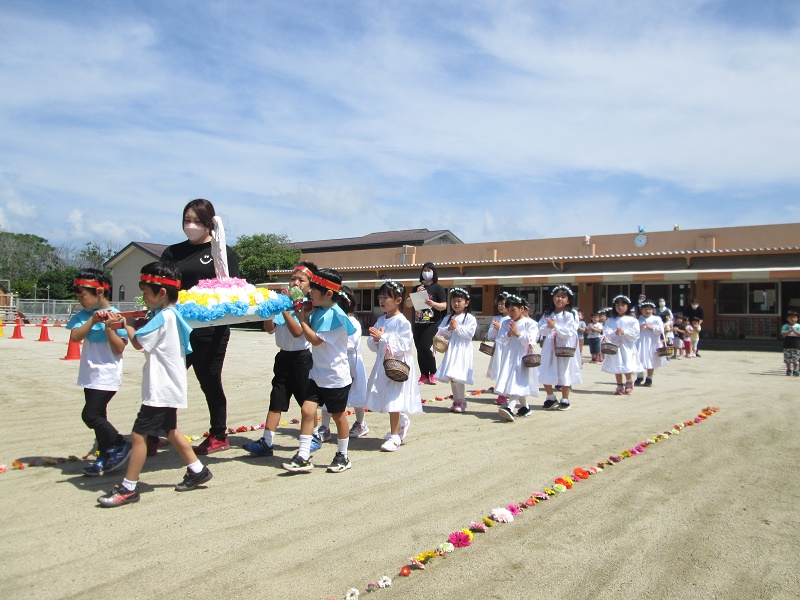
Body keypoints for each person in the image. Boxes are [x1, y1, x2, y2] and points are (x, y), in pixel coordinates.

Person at [97, 262, 212, 507]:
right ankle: (197, 469)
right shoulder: (172, 315)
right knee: (170, 431)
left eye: (146, 293)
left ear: (161, 293)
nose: (144, 299)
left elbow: (139, 342)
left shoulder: (164, 317)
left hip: (160, 388)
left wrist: (126, 325)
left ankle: (129, 487)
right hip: (169, 386)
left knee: (138, 435)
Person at [160, 199, 241, 455]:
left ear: (209, 223)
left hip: (211, 330)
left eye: (197, 221)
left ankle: (218, 434)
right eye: (187, 220)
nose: (191, 225)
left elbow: (234, 288)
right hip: (177, 328)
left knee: (209, 380)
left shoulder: (222, 252)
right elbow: (162, 286)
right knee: (166, 380)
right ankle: (160, 430)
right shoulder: (172, 252)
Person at [282, 268, 356, 474]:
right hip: (317, 374)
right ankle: (303, 455)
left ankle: (343, 455)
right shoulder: (319, 310)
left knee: (338, 416)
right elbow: (305, 330)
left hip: (335, 377)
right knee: (307, 411)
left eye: (314, 290)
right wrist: (302, 313)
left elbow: (314, 339)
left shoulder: (336, 315)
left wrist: (302, 318)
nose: (310, 292)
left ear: (328, 293)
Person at [243, 262, 316, 457]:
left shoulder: (308, 306)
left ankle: (314, 436)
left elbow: (298, 332)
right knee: (276, 398)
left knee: (306, 401)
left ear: (310, 287)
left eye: (301, 280)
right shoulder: (283, 301)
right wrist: (270, 311)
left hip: (302, 358)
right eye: (293, 279)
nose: (295, 283)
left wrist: (285, 309)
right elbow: (270, 329)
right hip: (283, 357)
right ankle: (267, 441)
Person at [67, 269, 131, 477]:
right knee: (99, 416)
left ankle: (120, 442)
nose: (80, 300)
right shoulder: (83, 316)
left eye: (83, 295)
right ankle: (105, 454)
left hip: (107, 374)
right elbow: (75, 337)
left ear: (100, 292)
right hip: (89, 374)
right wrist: (93, 321)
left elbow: (119, 348)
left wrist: (109, 326)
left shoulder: (117, 316)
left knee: (90, 415)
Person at [364, 280, 422, 451]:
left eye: (386, 297)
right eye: (380, 297)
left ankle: (395, 435)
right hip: (383, 363)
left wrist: (383, 337)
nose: (381, 301)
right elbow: (373, 343)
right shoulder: (381, 319)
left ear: (398, 300)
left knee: (394, 398)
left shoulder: (402, 321)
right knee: (388, 395)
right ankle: (401, 422)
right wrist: (375, 339)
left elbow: (405, 345)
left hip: (397, 363)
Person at [318, 285, 367, 442]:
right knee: (329, 393)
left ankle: (361, 423)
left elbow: (350, 344)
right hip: (335, 361)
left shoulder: (352, 322)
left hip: (351, 363)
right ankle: (324, 426)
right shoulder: (332, 320)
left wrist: (333, 342)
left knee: (356, 396)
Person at [495, 295, 540, 422]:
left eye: (513, 310)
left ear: (521, 309)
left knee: (517, 381)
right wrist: (509, 334)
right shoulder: (506, 323)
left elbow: (532, 340)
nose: (510, 313)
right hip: (509, 355)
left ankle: (510, 407)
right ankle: (525, 407)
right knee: (513, 380)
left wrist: (518, 334)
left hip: (522, 357)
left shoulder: (530, 323)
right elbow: (500, 339)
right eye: (508, 310)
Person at [538, 286, 582, 411]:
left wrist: (555, 326)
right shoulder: (548, 314)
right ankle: (550, 396)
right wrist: (548, 327)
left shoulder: (570, 314)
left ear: (568, 300)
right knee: (545, 368)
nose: (559, 299)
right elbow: (540, 329)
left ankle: (565, 399)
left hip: (564, 345)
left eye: (563, 297)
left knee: (564, 370)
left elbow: (569, 331)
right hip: (550, 345)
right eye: (557, 296)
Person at [434, 288, 478, 413]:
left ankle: (461, 400)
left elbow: (469, 334)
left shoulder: (469, 318)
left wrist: (456, 328)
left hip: (462, 350)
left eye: (459, 301)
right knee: (452, 376)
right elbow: (441, 331)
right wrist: (449, 328)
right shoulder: (449, 317)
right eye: (454, 301)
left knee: (458, 376)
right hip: (452, 349)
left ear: (466, 303)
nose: (456, 304)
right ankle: (456, 400)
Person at [406, 262, 447, 384]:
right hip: (418, 323)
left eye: (429, 270)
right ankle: (424, 374)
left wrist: (433, 304)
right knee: (419, 349)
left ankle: (433, 372)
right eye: (424, 270)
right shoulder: (417, 288)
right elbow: (408, 304)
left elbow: (444, 306)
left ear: (434, 272)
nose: (426, 272)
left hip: (432, 323)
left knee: (424, 347)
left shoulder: (438, 288)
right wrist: (416, 294)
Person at [601, 295, 642, 395]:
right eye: (618, 305)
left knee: (627, 362)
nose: (620, 307)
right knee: (617, 363)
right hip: (615, 345)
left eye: (623, 305)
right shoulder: (610, 320)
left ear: (627, 306)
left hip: (627, 345)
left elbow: (636, 334)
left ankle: (629, 380)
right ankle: (619, 385)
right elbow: (606, 333)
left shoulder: (632, 320)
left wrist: (625, 332)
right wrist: (614, 333)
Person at [634, 301, 667, 386]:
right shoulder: (638, 320)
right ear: (641, 310)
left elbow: (661, 330)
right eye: (645, 309)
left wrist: (651, 328)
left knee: (651, 359)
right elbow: (634, 331)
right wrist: (639, 328)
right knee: (640, 358)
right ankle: (639, 376)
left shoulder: (656, 319)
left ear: (653, 310)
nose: (647, 311)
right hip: (641, 342)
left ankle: (649, 377)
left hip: (652, 342)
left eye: (649, 309)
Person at [486, 292, 510, 405]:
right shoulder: (496, 318)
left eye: (503, 304)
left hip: (507, 348)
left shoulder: (511, 318)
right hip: (499, 348)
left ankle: (505, 393)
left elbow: (510, 335)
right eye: (499, 304)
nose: (500, 306)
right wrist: (495, 329)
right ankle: (503, 393)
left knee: (507, 369)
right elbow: (490, 336)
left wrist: (500, 328)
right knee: (500, 369)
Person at [781, 310, 800, 376]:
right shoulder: (785, 326)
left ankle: (795, 369)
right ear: (787, 319)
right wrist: (789, 331)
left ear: (797, 319)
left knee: (796, 357)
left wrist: (794, 331)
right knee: (787, 357)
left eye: (794, 317)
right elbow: (783, 334)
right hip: (788, 342)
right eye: (791, 318)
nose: (793, 319)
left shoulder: (798, 326)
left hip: (796, 342)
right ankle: (788, 369)